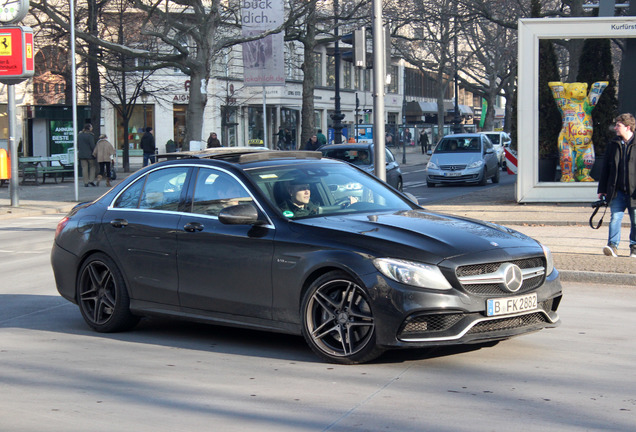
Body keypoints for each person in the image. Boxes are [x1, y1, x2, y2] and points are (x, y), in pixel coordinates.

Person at [597, 113, 636, 258]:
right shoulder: (613, 144)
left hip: (634, 192)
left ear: (627, 127)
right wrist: (602, 190)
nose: (615, 128)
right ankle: (613, 246)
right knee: (615, 218)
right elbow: (605, 169)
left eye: (618, 125)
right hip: (617, 191)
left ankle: (634, 247)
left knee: (635, 220)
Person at [77, 123, 97, 187]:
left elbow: (78, 145)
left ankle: (85, 182)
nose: (92, 128)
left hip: (82, 154)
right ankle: (91, 180)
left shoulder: (79, 135)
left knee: (84, 168)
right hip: (90, 154)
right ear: (89, 128)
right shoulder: (90, 136)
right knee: (92, 167)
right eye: (91, 127)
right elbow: (92, 145)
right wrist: (95, 152)